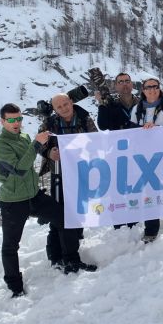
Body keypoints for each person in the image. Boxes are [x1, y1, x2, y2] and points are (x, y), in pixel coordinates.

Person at [0, 104, 96, 297]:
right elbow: (20, 169)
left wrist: (48, 150)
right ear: (2, 121)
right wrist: (36, 144)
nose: (16, 123)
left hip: (34, 195)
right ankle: (15, 287)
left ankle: (71, 261)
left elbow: (34, 157)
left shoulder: (23, 137)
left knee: (66, 219)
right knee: (11, 245)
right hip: (14, 201)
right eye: (11, 120)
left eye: (19, 118)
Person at [40, 92, 98, 248]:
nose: (63, 108)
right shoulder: (49, 123)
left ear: (71, 102)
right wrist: (49, 153)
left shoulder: (84, 119)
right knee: (59, 210)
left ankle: (75, 240)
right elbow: (38, 144)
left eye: (65, 104)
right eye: (59, 107)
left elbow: (96, 140)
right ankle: (56, 250)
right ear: (54, 109)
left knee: (79, 206)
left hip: (81, 170)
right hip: (58, 172)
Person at [130, 77, 163, 242]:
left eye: (155, 86)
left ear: (159, 88)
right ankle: (151, 229)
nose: (152, 89)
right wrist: (143, 130)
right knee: (150, 192)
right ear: (143, 90)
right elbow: (131, 133)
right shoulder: (136, 109)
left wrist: (156, 129)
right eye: (148, 87)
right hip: (145, 158)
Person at [95, 73, 139, 228]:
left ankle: (134, 221)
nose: (125, 84)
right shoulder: (110, 104)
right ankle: (119, 223)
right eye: (121, 82)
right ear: (116, 86)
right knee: (117, 187)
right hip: (117, 152)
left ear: (132, 84)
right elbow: (103, 125)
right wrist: (101, 104)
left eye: (127, 81)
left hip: (138, 151)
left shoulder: (141, 103)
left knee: (136, 186)